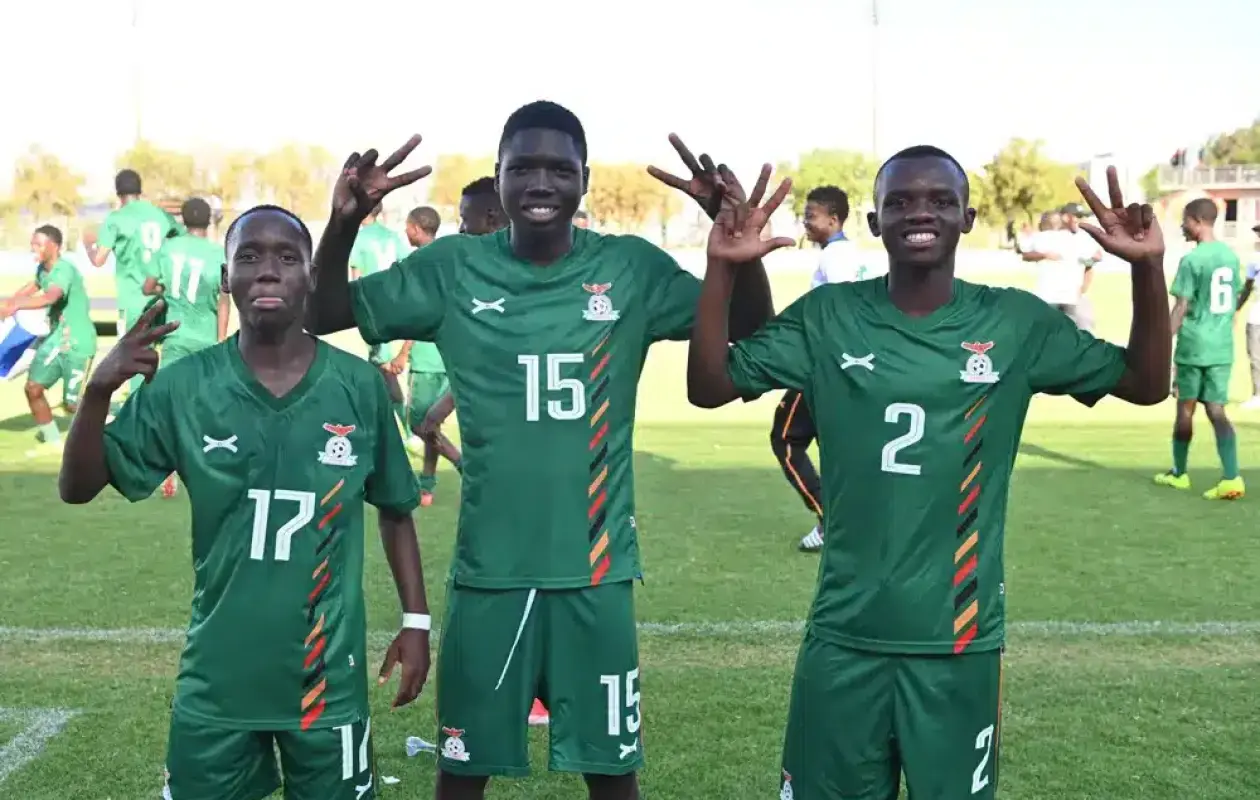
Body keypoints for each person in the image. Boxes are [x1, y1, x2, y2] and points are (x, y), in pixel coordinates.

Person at [305, 101, 775, 800]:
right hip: (491, 572)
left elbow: (748, 322)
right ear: (497, 179)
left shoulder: (629, 268)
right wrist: (343, 223)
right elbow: (324, 312)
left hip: (596, 570)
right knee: (462, 774)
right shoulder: (453, 268)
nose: (541, 181)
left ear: (585, 178)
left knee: (614, 775)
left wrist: (729, 240)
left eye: (560, 167)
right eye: (522, 166)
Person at [686, 150, 1170, 800]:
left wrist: (1147, 270)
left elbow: (1144, 384)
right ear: (875, 219)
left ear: (968, 217)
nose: (921, 212)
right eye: (902, 201)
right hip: (844, 637)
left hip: (959, 643)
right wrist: (722, 266)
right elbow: (710, 385)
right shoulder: (828, 317)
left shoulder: (1014, 323)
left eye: (940, 200)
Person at [58, 204, 432, 800]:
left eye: (287, 257)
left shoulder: (358, 387)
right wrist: (99, 390)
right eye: (249, 257)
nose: (266, 271)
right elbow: (76, 488)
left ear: (311, 276)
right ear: (225, 277)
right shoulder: (185, 387)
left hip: (326, 680)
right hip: (219, 679)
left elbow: (394, 508)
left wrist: (415, 620)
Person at [776, 185, 877, 552]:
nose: (805, 222)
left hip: (829, 365)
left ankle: (830, 519)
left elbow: (842, 310)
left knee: (786, 439)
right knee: (841, 445)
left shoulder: (835, 258)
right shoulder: (852, 254)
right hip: (852, 364)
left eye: (811, 216)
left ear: (833, 219)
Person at [139, 197, 231, 497]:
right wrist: (221, 340)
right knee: (203, 406)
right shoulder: (220, 255)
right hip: (206, 341)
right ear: (209, 221)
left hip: (175, 337)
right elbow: (223, 300)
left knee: (169, 403)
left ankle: (166, 465)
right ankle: (204, 465)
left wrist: (163, 289)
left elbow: (148, 286)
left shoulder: (168, 249)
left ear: (184, 221)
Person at [1155, 198, 1245, 499]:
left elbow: (1181, 306)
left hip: (1194, 345)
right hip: (1222, 346)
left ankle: (1179, 474)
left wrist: (1161, 342)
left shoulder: (1193, 260)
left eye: (1185, 220)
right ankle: (1232, 477)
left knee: (1185, 408)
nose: (1182, 226)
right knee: (1217, 411)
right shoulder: (1230, 257)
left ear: (1196, 220)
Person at [84, 169, 182, 411]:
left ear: (118, 193)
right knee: (163, 351)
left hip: (134, 298)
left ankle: (140, 410)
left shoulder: (116, 219)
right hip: (163, 294)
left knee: (135, 355)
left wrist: (88, 244)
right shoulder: (159, 215)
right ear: (140, 190)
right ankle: (161, 403)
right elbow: (180, 237)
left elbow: (98, 260)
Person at [0, 225, 98, 457]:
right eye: (32, 243)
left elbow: (50, 296)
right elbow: (33, 286)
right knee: (33, 388)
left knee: (73, 405)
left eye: (38, 244)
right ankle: (53, 440)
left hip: (78, 342)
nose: (33, 248)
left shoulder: (63, 270)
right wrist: (9, 302)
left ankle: (116, 432)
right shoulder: (43, 269)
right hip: (55, 339)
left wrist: (15, 305)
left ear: (54, 246)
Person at [391, 202, 464, 507]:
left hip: (425, 358)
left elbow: (418, 314)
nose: (405, 231)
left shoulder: (417, 262)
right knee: (431, 426)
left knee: (420, 424)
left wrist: (403, 352)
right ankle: (427, 486)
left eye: (407, 226)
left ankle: (463, 465)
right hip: (451, 356)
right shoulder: (451, 261)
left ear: (417, 228)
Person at [350, 203, 410, 427]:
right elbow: (406, 266)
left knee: (385, 370)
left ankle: (408, 429)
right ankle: (378, 424)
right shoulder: (392, 236)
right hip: (396, 304)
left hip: (373, 308)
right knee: (376, 369)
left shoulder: (359, 239)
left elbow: (355, 277)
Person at [1238, 223, 1260, 410]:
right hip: (1257, 314)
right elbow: (1247, 288)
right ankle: (1258, 394)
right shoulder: (1254, 259)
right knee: (1255, 356)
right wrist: (1236, 308)